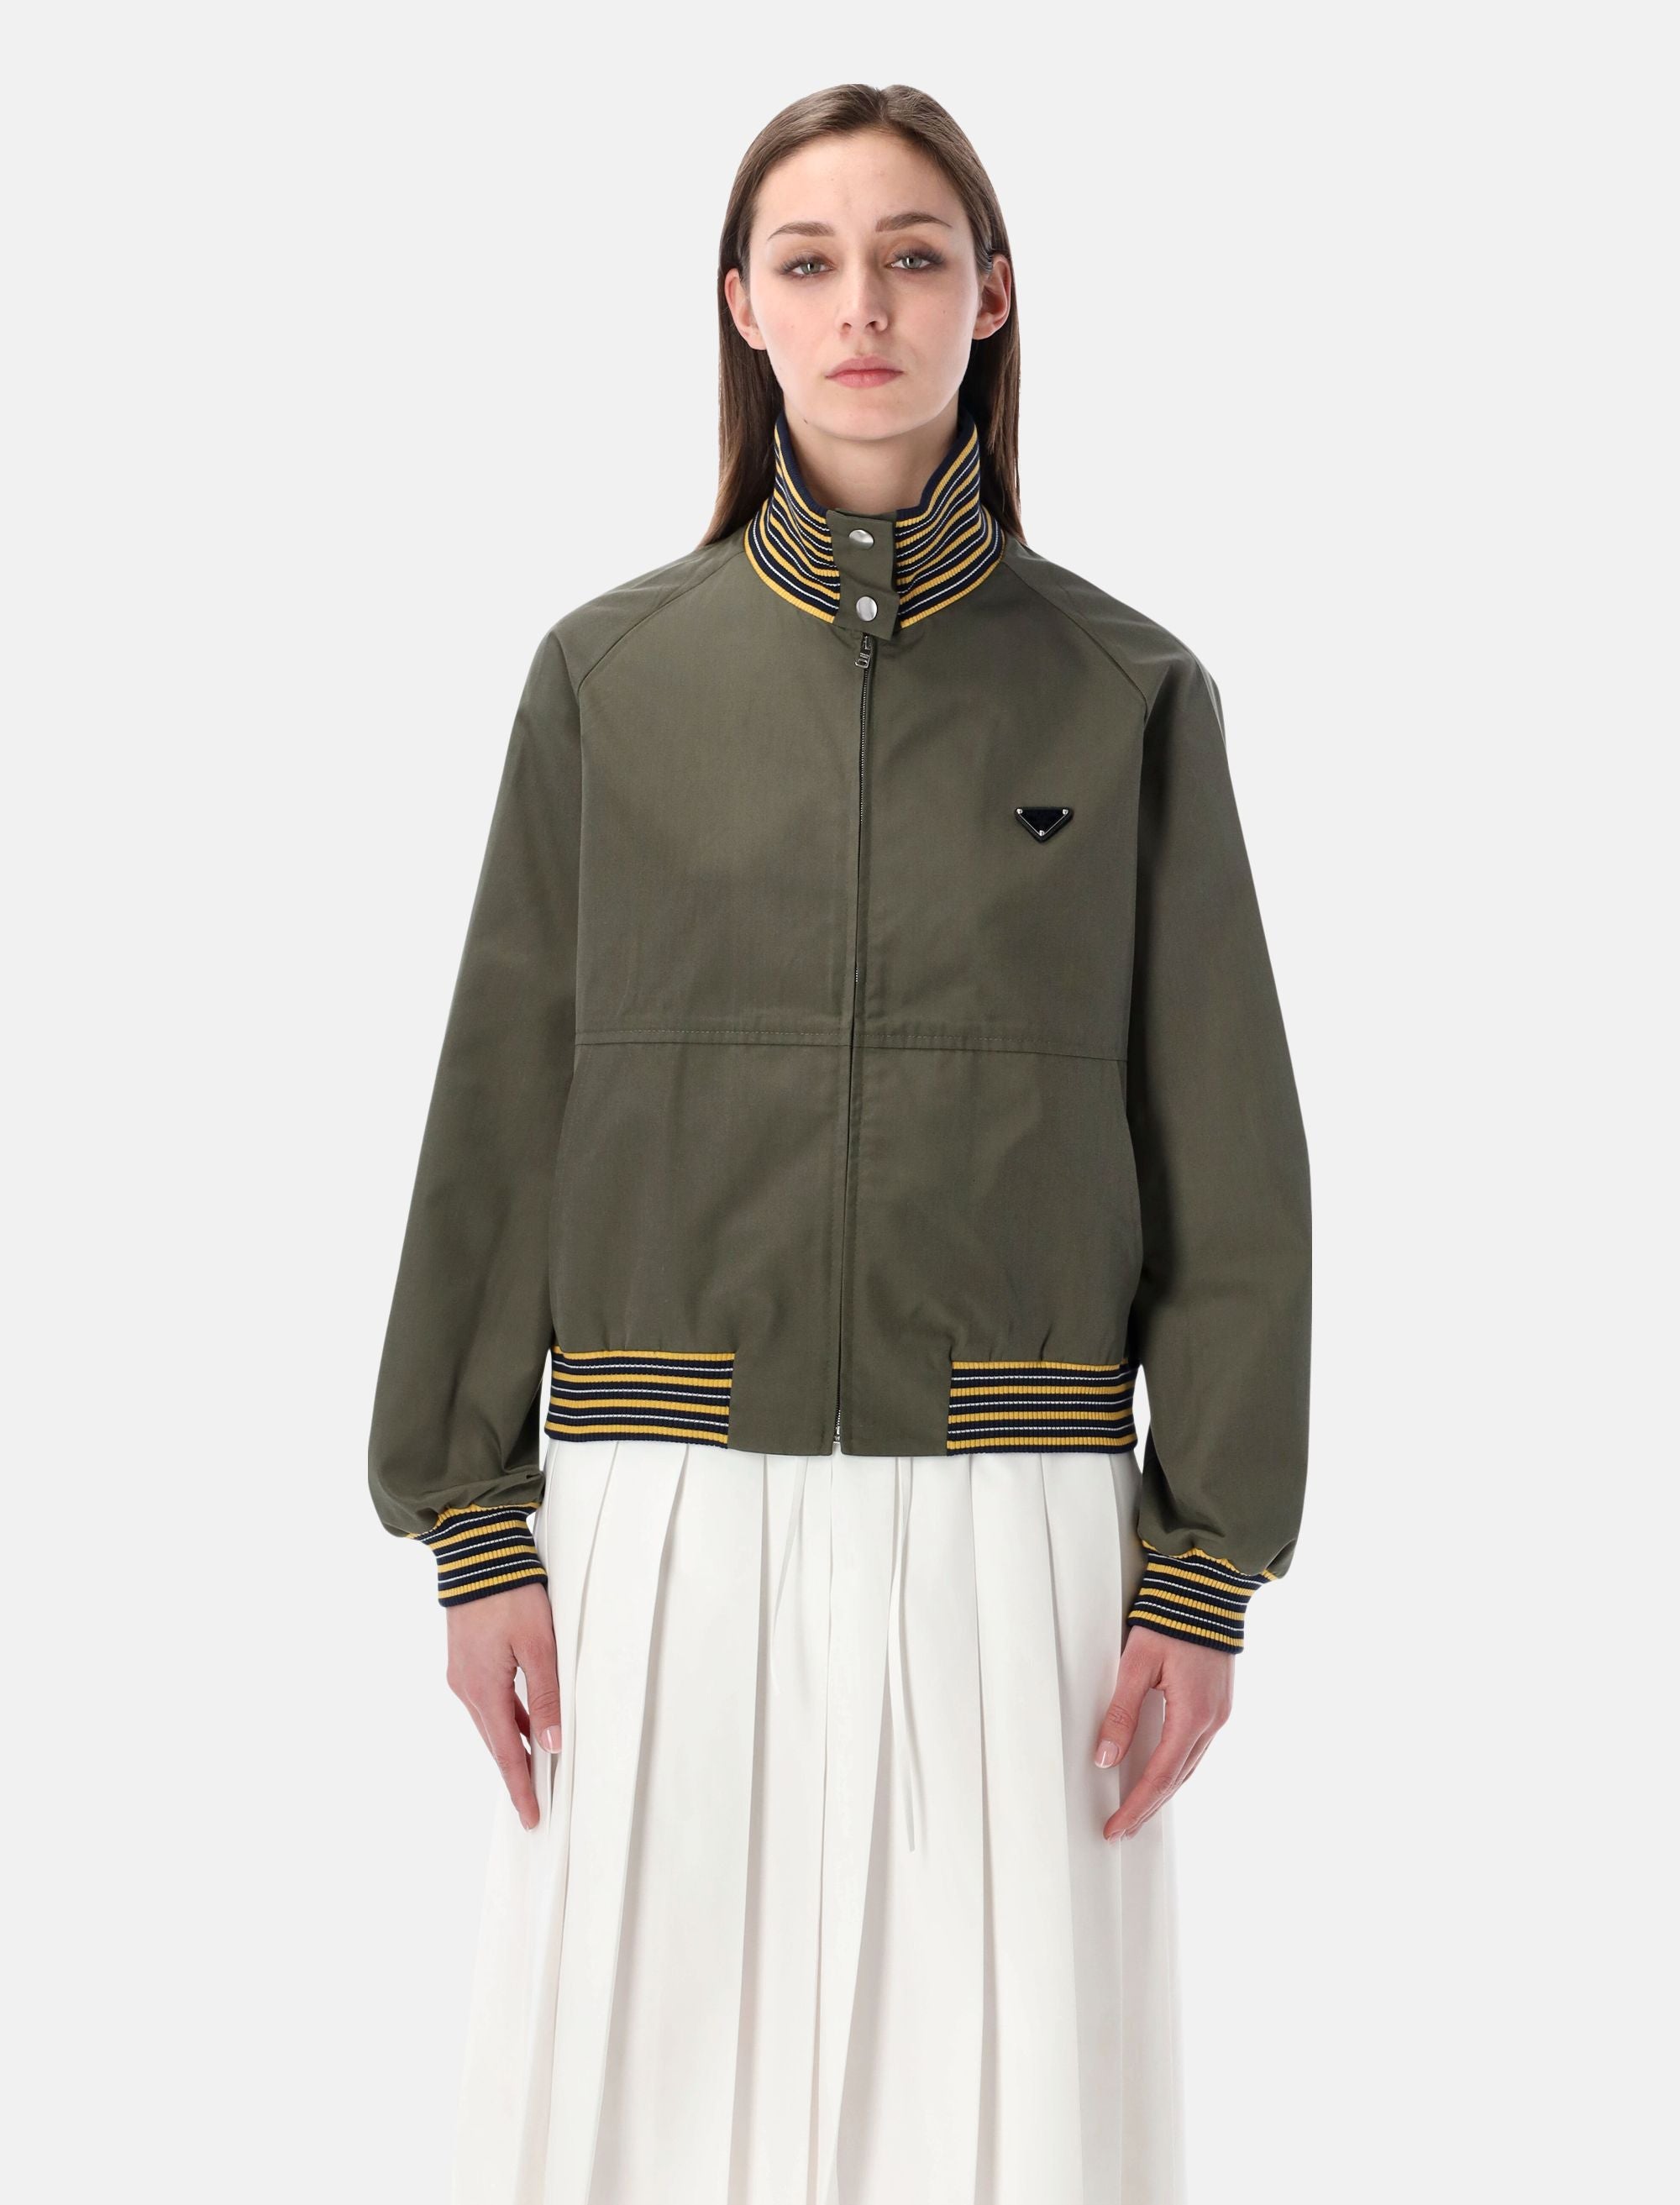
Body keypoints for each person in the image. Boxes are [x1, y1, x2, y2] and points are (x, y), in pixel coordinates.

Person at [367, 79, 1311, 2205]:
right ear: (742, 306)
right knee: (639, 2116)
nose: (861, 304)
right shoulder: (608, 679)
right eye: (808, 260)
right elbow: (501, 1104)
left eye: (911, 256)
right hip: (658, 1510)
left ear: (993, 297)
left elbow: (1228, 1148)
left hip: (1019, 1520)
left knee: (1002, 2128)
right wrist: (474, 1523)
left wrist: (1203, 1569)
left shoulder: (1127, 692)